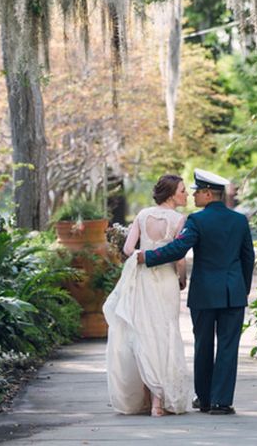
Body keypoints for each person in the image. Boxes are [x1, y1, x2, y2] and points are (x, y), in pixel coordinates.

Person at [138, 168, 255, 415]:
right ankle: (221, 402)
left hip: (203, 294)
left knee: (203, 344)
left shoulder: (197, 221)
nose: (193, 196)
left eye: (197, 192)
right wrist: (242, 290)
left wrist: (147, 256)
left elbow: (178, 249)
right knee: (228, 346)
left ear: (209, 194)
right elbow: (248, 258)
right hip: (233, 293)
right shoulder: (239, 220)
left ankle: (203, 399)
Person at [103, 174, 189, 417]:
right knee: (165, 333)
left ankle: (145, 397)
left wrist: (144, 254)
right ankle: (157, 403)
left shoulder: (142, 215)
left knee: (142, 334)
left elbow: (128, 249)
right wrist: (183, 278)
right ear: (172, 194)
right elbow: (179, 256)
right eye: (183, 190)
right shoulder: (179, 220)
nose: (186, 194)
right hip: (165, 282)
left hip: (142, 279)